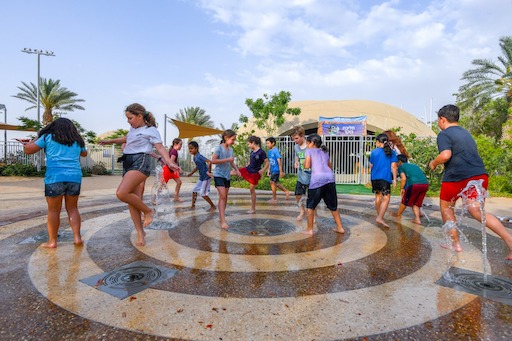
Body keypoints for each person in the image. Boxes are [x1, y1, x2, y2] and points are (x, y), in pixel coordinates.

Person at [429, 104, 512, 259]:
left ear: (442, 119)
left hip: (456, 176)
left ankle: (456, 244)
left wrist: (433, 163)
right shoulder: (466, 133)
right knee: (477, 211)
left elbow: (446, 155)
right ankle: (510, 241)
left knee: (446, 208)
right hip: (479, 174)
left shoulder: (444, 134)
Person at [99, 103, 180, 246]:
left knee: (122, 193)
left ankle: (148, 211)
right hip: (128, 161)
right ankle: (140, 232)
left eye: (130, 118)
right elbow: (126, 139)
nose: (128, 121)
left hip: (140, 160)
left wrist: (169, 162)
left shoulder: (151, 130)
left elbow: (159, 147)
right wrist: (109, 141)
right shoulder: (132, 129)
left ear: (139, 116)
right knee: (133, 199)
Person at [23, 118, 88, 248]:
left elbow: (28, 150)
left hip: (55, 177)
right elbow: (85, 154)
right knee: (73, 209)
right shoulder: (77, 140)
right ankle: (77, 238)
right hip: (74, 177)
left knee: (53, 211)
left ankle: (52, 242)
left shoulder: (47, 137)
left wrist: (36, 138)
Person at [303, 134, 344, 235]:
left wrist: (303, 163)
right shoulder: (324, 151)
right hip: (330, 179)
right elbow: (330, 166)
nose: (307, 145)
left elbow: (307, 165)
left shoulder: (309, 151)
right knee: (333, 206)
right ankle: (340, 227)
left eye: (307, 143)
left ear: (312, 143)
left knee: (310, 206)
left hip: (317, 180)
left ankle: (310, 230)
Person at [211, 129, 241, 229]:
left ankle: (221, 216)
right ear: (226, 138)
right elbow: (213, 161)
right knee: (223, 195)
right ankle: (223, 221)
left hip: (226, 175)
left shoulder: (231, 150)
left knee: (224, 197)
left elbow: (231, 162)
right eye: (233, 139)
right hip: (218, 174)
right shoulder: (218, 148)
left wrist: (237, 170)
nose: (234, 142)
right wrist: (227, 160)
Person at [369, 133, 398, 227]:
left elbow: (371, 166)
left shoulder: (374, 152)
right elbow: (393, 166)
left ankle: (379, 216)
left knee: (378, 197)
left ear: (378, 142)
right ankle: (380, 217)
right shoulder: (391, 152)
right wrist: (394, 179)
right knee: (386, 198)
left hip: (374, 178)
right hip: (384, 178)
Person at [390, 154, 429, 225]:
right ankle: (417, 219)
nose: (395, 163)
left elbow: (403, 178)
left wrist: (402, 188)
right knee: (416, 203)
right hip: (425, 184)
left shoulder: (401, 167)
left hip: (415, 185)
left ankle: (398, 215)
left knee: (405, 200)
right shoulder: (414, 165)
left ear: (399, 161)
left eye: (396, 161)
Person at [239, 135, 269, 214]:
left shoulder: (261, 152)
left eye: (249, 144)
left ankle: (253, 208)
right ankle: (217, 175)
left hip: (255, 173)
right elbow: (251, 161)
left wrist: (263, 170)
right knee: (236, 171)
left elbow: (267, 162)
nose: (248, 146)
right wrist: (247, 166)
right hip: (249, 169)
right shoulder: (252, 151)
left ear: (253, 143)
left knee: (252, 190)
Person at [187, 141, 216, 212]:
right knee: (194, 191)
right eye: (189, 149)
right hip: (201, 177)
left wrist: (209, 172)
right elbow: (197, 167)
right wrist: (191, 173)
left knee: (203, 193)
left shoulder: (199, 156)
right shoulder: (194, 157)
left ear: (196, 148)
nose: (190, 150)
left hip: (206, 177)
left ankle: (213, 206)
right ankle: (193, 206)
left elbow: (209, 162)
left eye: (192, 148)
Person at [290, 126, 311, 221]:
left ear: (302, 135)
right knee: (297, 194)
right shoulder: (296, 147)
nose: (295, 141)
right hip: (301, 176)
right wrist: (296, 161)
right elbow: (297, 156)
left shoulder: (310, 146)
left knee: (311, 198)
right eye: (293, 139)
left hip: (311, 177)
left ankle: (313, 214)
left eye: (296, 138)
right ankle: (302, 211)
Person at [266, 137, 290, 203]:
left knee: (272, 182)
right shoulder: (269, 151)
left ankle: (274, 198)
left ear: (273, 143)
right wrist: (268, 170)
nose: (267, 145)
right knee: (276, 183)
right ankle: (286, 191)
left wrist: (281, 170)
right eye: (266, 143)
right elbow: (270, 161)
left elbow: (279, 160)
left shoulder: (275, 150)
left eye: (268, 143)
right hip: (272, 169)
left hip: (276, 169)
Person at [162, 138, 184, 202]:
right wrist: (178, 168)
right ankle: (154, 198)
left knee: (179, 182)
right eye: (180, 145)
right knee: (162, 185)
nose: (181, 146)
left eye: (181, 145)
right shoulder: (174, 151)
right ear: (175, 144)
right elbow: (171, 162)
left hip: (172, 170)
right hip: (168, 170)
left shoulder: (174, 151)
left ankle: (176, 197)